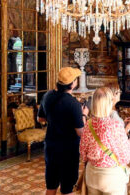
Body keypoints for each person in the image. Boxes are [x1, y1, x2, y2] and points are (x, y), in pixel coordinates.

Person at [80, 87, 130, 195]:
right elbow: (126, 155)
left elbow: (83, 152)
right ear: (109, 103)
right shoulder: (115, 125)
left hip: (92, 174)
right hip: (111, 177)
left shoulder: (88, 124)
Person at [37, 67, 85, 195]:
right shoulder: (73, 104)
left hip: (51, 146)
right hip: (68, 150)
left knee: (51, 185)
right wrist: (84, 115)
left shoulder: (47, 96)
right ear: (73, 83)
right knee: (67, 188)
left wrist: (55, 119)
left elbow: (40, 118)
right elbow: (80, 132)